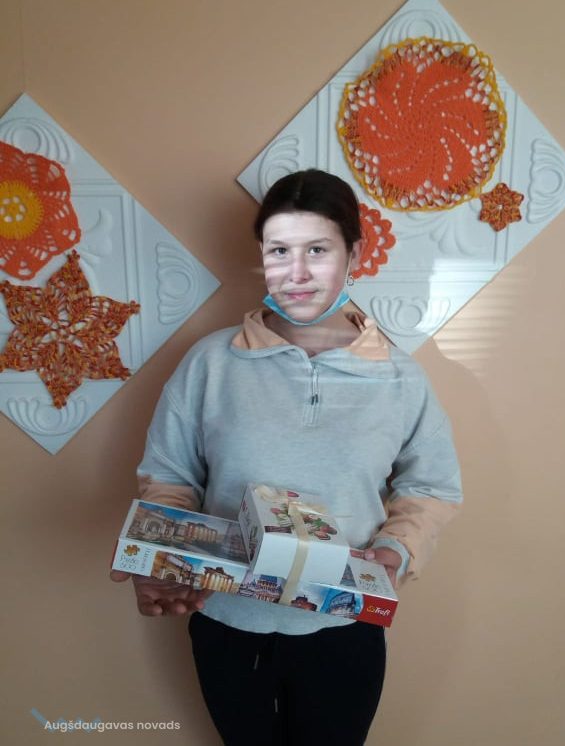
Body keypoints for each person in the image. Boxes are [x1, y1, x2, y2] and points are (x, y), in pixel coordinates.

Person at [110, 169, 463, 745]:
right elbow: (170, 476)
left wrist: (396, 552)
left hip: (343, 625)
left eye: (317, 250)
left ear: (354, 253)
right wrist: (163, 557)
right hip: (227, 620)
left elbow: (432, 485)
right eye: (279, 251)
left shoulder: (400, 378)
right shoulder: (210, 363)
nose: (296, 273)